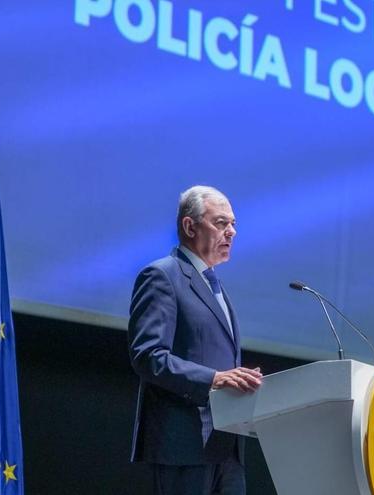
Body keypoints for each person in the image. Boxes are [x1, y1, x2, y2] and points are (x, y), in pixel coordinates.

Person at [128, 185, 263, 495]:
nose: (231, 232)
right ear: (190, 226)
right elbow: (148, 356)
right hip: (184, 446)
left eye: (233, 224)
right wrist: (215, 379)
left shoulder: (215, 285)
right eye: (221, 223)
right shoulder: (162, 276)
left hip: (226, 448)